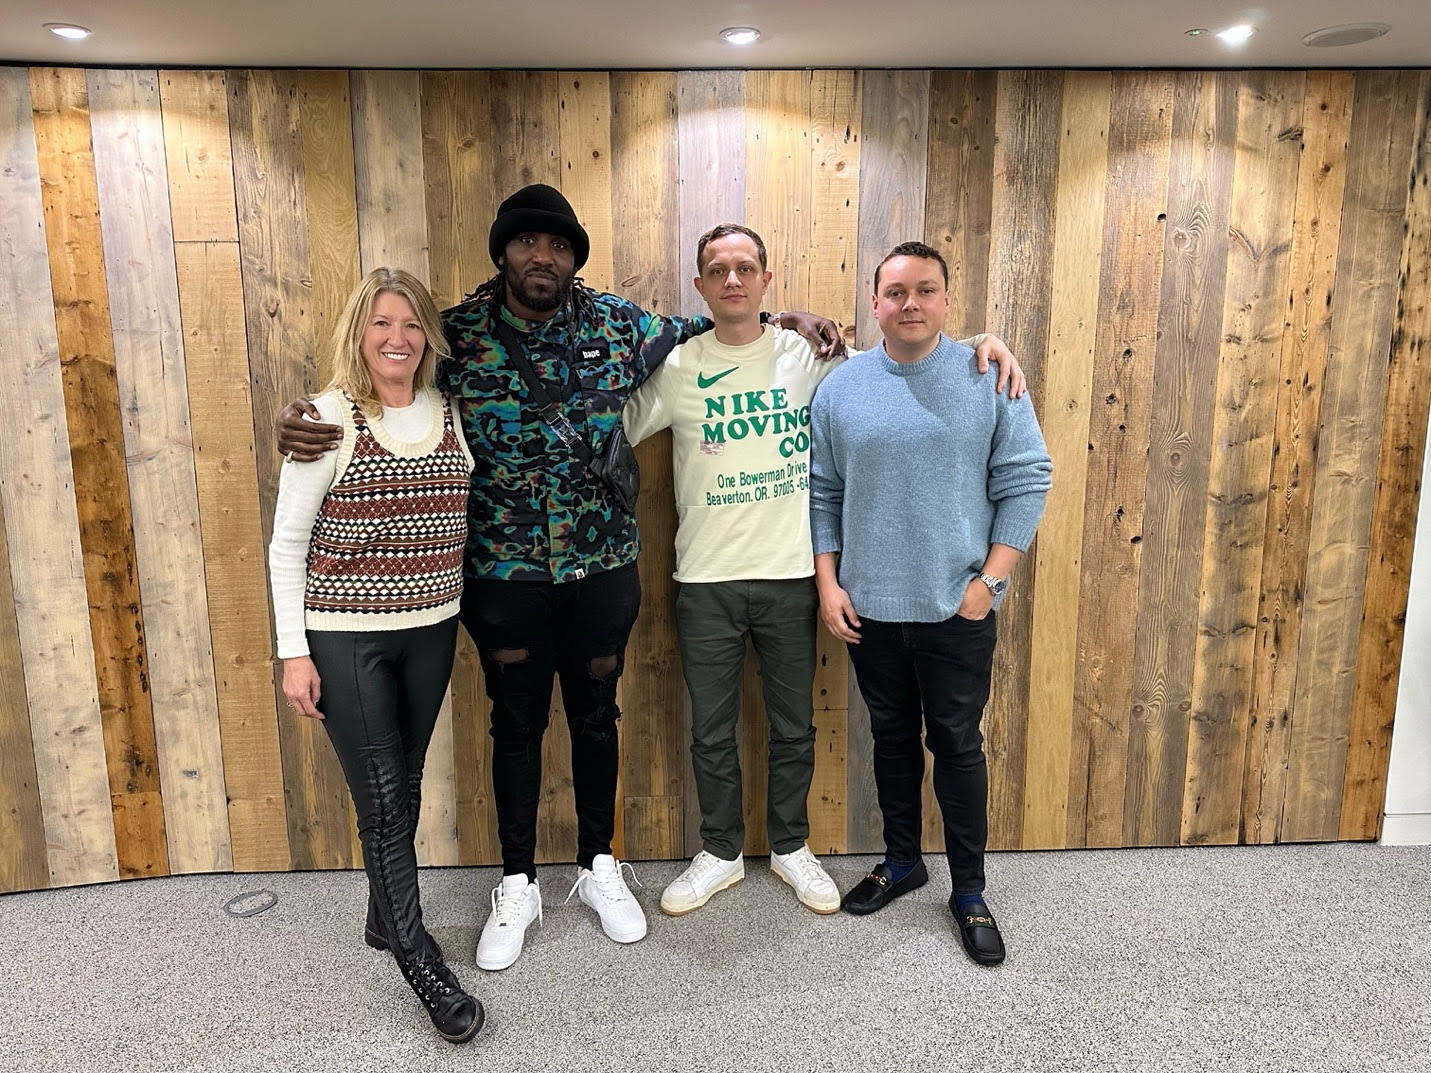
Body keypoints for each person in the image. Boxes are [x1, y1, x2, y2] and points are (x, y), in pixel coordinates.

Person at [276, 185, 841, 972]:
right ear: (502, 252)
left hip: (601, 566)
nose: (542, 256)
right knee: (514, 724)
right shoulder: (455, 335)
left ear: (574, 258)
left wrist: (791, 317)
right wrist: (305, 417)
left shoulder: (618, 323)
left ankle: (598, 863)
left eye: (558, 245)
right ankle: (516, 881)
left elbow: (717, 322)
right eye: (527, 242)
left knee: (597, 715)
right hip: (502, 574)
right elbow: (386, 378)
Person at [623, 225, 1026, 918]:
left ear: (766, 278)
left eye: (745, 267)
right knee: (711, 730)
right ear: (700, 286)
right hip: (705, 576)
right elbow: (619, 423)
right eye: (717, 270)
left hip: (792, 577)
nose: (732, 280)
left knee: (795, 726)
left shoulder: (811, 358)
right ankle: (719, 851)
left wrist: (986, 342)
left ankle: (790, 846)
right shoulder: (683, 365)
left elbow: (904, 356)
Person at [809, 241, 1052, 967]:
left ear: (946, 300)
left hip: (957, 608)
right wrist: (828, 583)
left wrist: (990, 583)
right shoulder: (840, 390)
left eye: (925, 289)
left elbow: (1027, 478)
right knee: (889, 739)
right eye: (895, 291)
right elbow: (823, 492)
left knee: (956, 744)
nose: (909, 303)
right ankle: (901, 861)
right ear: (874, 303)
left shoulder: (987, 374)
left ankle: (969, 890)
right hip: (871, 609)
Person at [268, 268, 483, 1042]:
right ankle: (420, 962)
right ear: (359, 333)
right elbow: (287, 544)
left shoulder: (451, 409)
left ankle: (379, 918)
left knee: (404, 784)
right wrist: (294, 653)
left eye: (412, 324)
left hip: (432, 629)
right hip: (346, 634)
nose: (398, 338)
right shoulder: (327, 419)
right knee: (386, 803)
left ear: (429, 336)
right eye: (382, 324)